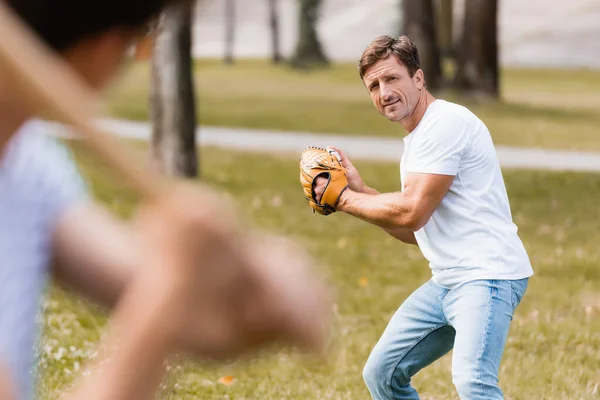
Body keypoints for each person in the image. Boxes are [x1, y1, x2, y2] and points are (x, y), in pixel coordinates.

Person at [0, 1, 331, 399]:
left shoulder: (26, 161)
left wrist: (254, 296)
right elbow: (164, 297)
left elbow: (173, 302)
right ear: (105, 52)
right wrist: (170, 292)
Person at [312, 35, 533, 399]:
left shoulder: (445, 124)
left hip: (487, 276)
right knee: (383, 374)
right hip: (447, 282)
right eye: (374, 85)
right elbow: (417, 230)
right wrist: (362, 191)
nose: (384, 92)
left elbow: (412, 212)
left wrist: (343, 198)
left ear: (418, 78)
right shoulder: (418, 139)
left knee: (473, 382)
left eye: (392, 78)